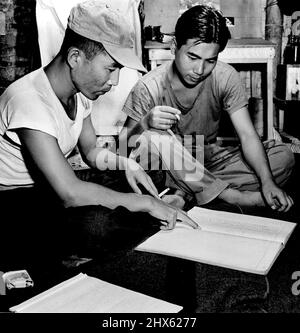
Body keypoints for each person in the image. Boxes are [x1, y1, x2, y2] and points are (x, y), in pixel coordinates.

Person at [0, 1, 197, 266]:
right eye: (110, 68)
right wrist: (144, 204)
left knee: (148, 174)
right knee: (97, 223)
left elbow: (91, 152)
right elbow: (70, 192)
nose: (114, 82)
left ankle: (138, 222)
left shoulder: (79, 96)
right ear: (75, 58)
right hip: (14, 203)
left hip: (48, 188)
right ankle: (142, 222)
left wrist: (125, 163)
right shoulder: (29, 100)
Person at [119, 4, 295, 213]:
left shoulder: (225, 76)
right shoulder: (149, 86)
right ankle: (229, 195)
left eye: (210, 60)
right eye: (192, 58)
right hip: (168, 167)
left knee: (283, 155)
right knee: (155, 139)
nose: (200, 70)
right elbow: (122, 145)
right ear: (174, 47)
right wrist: (145, 122)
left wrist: (267, 182)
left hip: (209, 160)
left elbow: (247, 135)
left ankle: (186, 192)